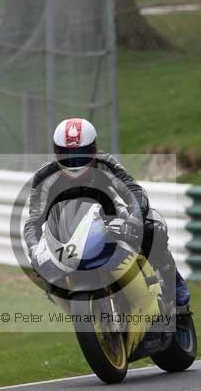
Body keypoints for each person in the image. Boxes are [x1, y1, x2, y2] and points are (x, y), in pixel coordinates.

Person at [24, 117, 191, 311]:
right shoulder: (45, 177)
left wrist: (135, 219)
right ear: (56, 152)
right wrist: (34, 251)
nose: (74, 161)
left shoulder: (105, 163)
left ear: (94, 149)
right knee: (48, 277)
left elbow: (132, 190)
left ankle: (173, 281)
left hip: (109, 221)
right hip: (67, 235)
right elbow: (34, 222)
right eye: (66, 155)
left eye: (81, 154)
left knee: (152, 227)